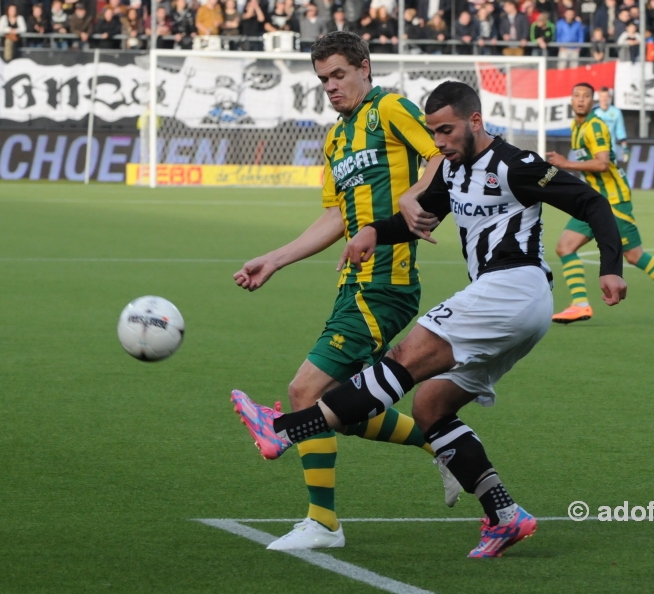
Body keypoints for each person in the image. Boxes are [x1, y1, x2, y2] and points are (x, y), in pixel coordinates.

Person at [231, 79, 626, 558]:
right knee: (431, 407)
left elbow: (591, 202)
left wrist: (610, 269)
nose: (437, 143)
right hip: (511, 304)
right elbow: (418, 220)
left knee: (405, 357)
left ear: (475, 122)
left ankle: (285, 431)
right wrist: (374, 232)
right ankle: (505, 515)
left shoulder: (515, 164)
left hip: (513, 288)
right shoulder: (454, 172)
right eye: (432, 133)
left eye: (445, 131)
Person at [232, 31, 449, 551]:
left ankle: (323, 523)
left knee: (305, 393)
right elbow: (334, 215)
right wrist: (276, 259)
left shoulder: (390, 108)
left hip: (387, 284)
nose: (331, 87)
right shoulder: (336, 138)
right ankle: (446, 445)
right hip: (352, 284)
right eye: (323, 79)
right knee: (343, 409)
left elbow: (440, 154)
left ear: (364, 68)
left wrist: (415, 197)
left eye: (338, 75)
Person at [546, 84, 654, 329]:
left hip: (613, 201)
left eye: (586, 96)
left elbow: (603, 164)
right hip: (594, 200)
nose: (581, 100)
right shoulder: (577, 126)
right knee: (565, 246)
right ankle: (580, 303)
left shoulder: (595, 126)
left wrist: (567, 164)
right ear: (571, 100)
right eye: (576, 96)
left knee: (634, 255)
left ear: (593, 101)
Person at [594, 87, 628, 163]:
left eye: (606, 96)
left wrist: (625, 149)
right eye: (602, 96)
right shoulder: (594, 113)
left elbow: (620, 131)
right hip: (596, 151)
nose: (604, 99)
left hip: (611, 151)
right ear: (599, 97)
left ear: (610, 97)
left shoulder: (616, 112)